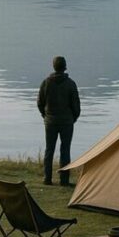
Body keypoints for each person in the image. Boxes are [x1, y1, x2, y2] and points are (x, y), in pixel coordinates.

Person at [37, 55, 80, 186]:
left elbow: (40, 102)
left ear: (54, 67)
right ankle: (64, 180)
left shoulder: (46, 83)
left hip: (50, 121)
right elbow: (76, 106)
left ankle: (47, 178)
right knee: (65, 150)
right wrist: (73, 118)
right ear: (65, 67)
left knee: (49, 149)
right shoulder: (71, 84)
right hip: (67, 122)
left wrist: (45, 116)